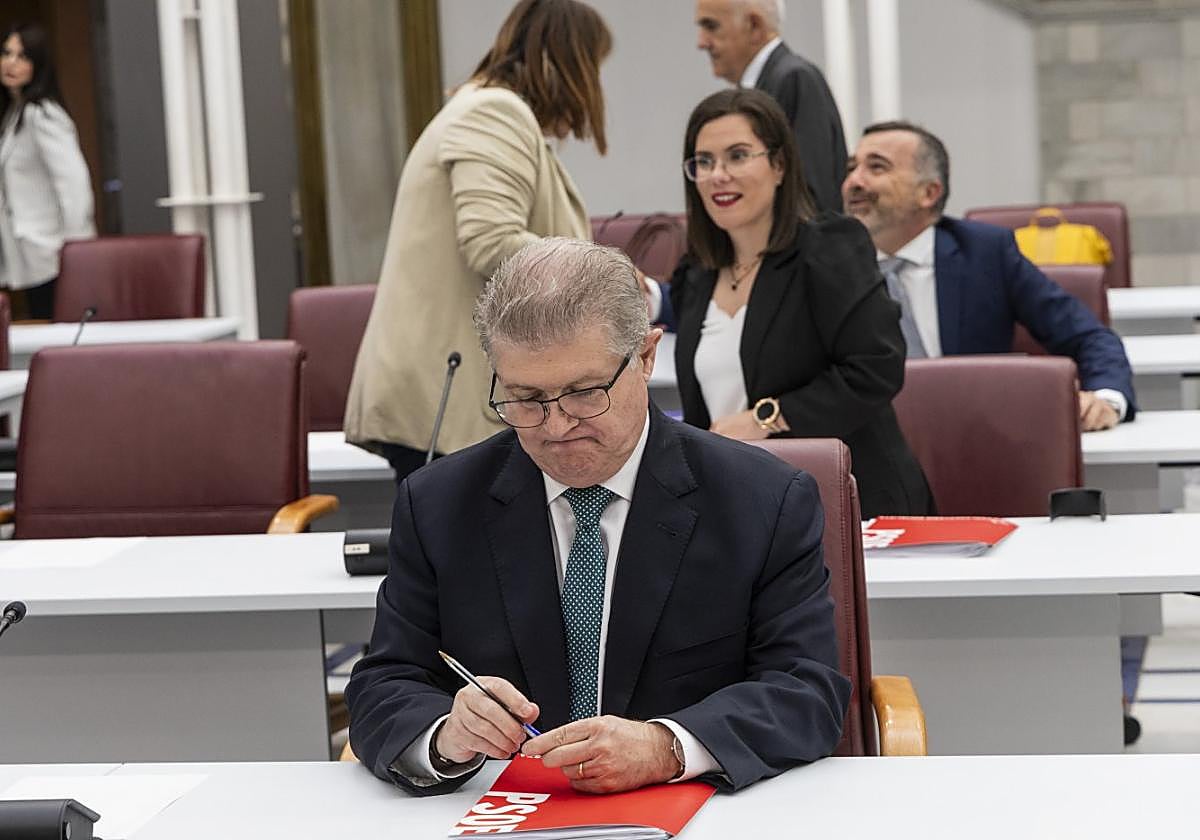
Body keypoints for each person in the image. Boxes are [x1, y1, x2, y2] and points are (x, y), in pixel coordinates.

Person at [345, 237, 850, 796]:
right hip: (503, 810)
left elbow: (805, 690)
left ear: (646, 356)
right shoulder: (438, 504)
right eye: (525, 398)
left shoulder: (762, 499)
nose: (556, 426)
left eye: (584, 393)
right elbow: (384, 684)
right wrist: (446, 734)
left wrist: (666, 746)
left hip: (699, 810)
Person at [344, 0, 609, 484]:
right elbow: (492, 241)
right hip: (449, 398)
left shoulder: (485, 110)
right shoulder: (495, 111)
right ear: (568, 62)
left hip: (450, 394)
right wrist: (599, 278)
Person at [663, 88, 931, 519]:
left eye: (737, 156)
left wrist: (765, 419)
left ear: (779, 165)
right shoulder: (695, 274)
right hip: (739, 506)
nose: (718, 175)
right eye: (704, 162)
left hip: (847, 503)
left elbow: (875, 367)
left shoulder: (830, 247)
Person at [842, 120, 1136, 431]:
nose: (853, 181)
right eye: (851, 168)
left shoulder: (985, 254)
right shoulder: (828, 264)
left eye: (876, 167)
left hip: (979, 432)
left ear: (929, 192)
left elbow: (1088, 336)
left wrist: (1106, 399)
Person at [694, 0, 846, 214]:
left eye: (711, 26)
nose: (701, 42)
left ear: (754, 25)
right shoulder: (769, 84)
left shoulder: (793, 80)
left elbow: (810, 196)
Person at [0, 22, 95, 319]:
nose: (11, 63)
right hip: (30, 254)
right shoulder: (15, 113)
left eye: (22, 56)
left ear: (38, 65)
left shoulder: (42, 114)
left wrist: (76, 254)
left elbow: (75, 184)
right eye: (7, 53)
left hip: (52, 254)